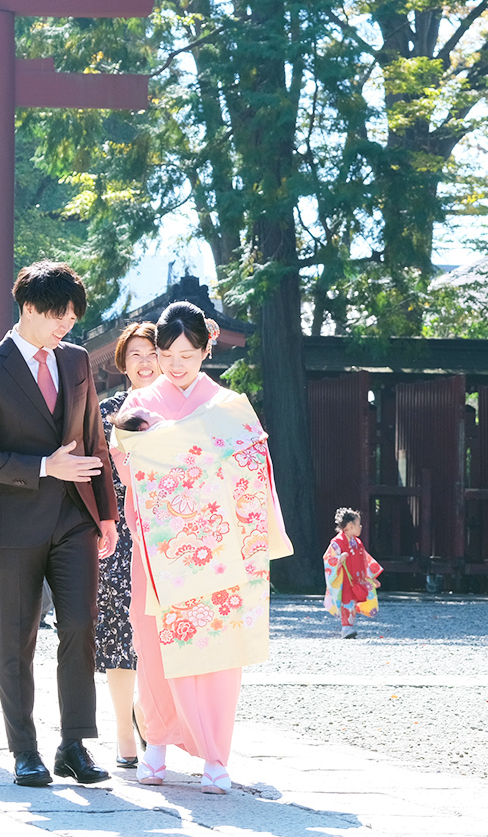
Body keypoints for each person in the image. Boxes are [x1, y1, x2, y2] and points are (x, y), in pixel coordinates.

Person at [110, 301, 294, 794]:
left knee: (215, 650)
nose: (174, 365)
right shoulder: (139, 407)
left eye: (187, 355)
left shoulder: (228, 408)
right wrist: (131, 447)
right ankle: (156, 745)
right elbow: (129, 474)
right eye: (167, 354)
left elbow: (254, 477)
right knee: (152, 644)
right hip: (158, 552)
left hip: (217, 553)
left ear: (207, 349)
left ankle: (215, 754)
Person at [0, 260, 119, 788]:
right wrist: (45, 465)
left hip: (75, 518)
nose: (67, 325)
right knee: (18, 637)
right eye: (59, 314)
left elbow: (93, 437)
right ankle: (24, 749)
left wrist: (106, 513)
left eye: (73, 315)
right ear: (28, 307)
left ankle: (74, 744)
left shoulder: (75, 360)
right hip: (16, 521)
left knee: (79, 627)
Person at [96, 321, 160, 768]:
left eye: (153, 352)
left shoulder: (182, 411)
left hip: (171, 538)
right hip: (119, 534)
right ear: (122, 361)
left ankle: (154, 718)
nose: (145, 361)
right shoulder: (104, 411)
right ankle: (124, 731)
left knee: (164, 636)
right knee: (121, 635)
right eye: (135, 353)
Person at [324, 508, 383, 639]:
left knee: (354, 602)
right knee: (347, 602)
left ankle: (348, 627)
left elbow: (365, 560)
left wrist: (371, 578)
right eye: (358, 524)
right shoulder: (337, 543)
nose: (361, 527)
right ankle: (346, 628)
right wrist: (339, 559)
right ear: (350, 526)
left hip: (357, 578)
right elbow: (328, 559)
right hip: (344, 579)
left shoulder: (357, 543)